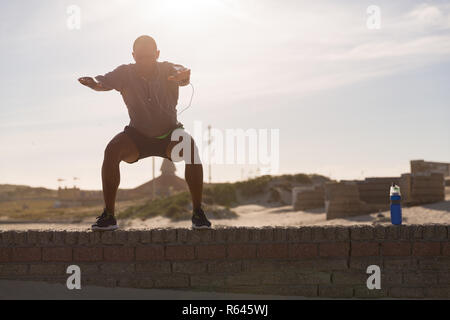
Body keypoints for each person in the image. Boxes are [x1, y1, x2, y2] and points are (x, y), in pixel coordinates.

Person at [78, 35, 211, 231]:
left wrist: (183, 76)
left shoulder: (168, 68)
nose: (145, 61)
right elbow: (103, 82)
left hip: (169, 135)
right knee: (112, 150)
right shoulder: (124, 72)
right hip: (137, 136)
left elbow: (181, 73)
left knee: (190, 147)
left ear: (157, 54)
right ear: (133, 56)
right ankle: (109, 215)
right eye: (140, 57)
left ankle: (198, 213)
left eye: (149, 56)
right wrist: (93, 83)